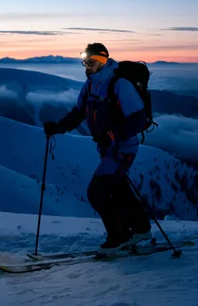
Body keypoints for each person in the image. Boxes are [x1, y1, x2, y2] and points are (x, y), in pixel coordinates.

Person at [43, 43, 152, 254]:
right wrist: (56, 128)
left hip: (122, 149)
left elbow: (139, 120)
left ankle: (119, 236)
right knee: (119, 190)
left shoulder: (119, 85)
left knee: (97, 192)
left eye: (92, 62)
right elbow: (78, 113)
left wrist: (111, 134)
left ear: (103, 61)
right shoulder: (90, 85)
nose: (87, 67)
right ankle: (141, 229)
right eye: (85, 62)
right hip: (106, 148)